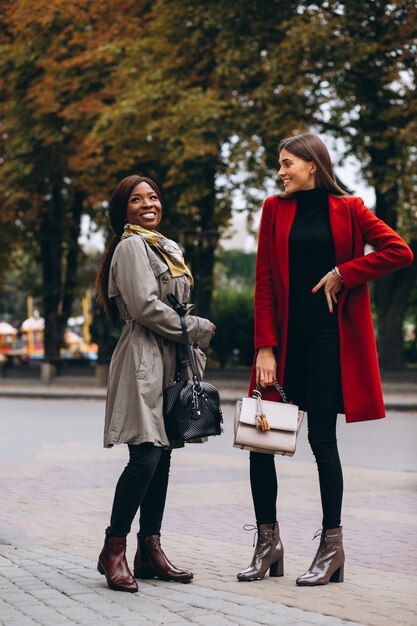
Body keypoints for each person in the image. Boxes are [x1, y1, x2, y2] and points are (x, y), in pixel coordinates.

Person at [237, 132, 413, 586]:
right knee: (261, 443)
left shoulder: (350, 208)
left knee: (322, 442)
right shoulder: (274, 210)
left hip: (326, 344)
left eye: (286, 163)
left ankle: (331, 548)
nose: (280, 172)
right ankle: (267, 545)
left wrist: (344, 273)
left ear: (312, 165)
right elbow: (263, 283)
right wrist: (265, 348)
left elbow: (399, 251)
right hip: (282, 345)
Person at [95, 175, 215, 592]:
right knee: (144, 457)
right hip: (143, 357)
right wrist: (196, 328)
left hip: (171, 359)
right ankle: (114, 550)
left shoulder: (164, 246)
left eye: (153, 196)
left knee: (163, 457)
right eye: (136, 199)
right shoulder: (130, 246)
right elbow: (146, 306)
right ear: (122, 209)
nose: (148, 203)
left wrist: (186, 336)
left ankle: (150, 550)